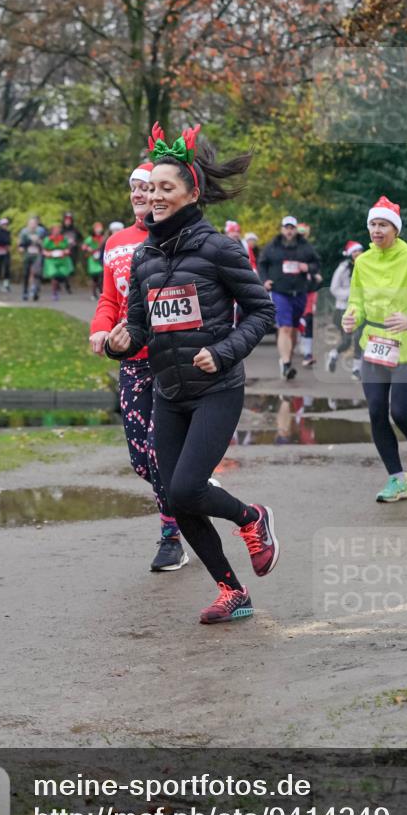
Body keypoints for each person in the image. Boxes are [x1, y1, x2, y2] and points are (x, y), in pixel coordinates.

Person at [105, 122, 278, 625]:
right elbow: (138, 326)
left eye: (165, 188)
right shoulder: (144, 257)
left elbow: (262, 312)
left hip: (215, 389)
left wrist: (224, 352)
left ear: (190, 193)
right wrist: (122, 342)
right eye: (149, 188)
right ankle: (233, 591)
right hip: (168, 390)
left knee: (185, 489)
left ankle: (252, 518)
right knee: (176, 498)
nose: (153, 196)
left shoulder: (220, 249)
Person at [90, 161, 188, 573]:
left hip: (170, 361)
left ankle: (171, 534)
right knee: (140, 459)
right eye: (134, 187)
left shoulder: (177, 237)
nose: (138, 195)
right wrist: (100, 329)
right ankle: (190, 489)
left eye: (148, 188)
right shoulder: (115, 242)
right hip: (131, 362)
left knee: (157, 448)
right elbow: (110, 298)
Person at [342, 196, 407, 503]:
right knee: (376, 412)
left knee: (399, 412)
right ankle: (397, 479)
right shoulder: (363, 262)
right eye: (373, 224)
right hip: (373, 346)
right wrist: (352, 317)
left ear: (395, 229)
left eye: (383, 224)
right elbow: (356, 300)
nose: (376, 229)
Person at [258, 215, 321, 379]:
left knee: (293, 329)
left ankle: (287, 360)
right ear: (282, 229)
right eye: (286, 227)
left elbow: (316, 263)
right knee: (284, 327)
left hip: (300, 292)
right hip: (280, 291)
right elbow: (262, 263)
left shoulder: (304, 246)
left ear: (295, 230)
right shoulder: (273, 246)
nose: (289, 231)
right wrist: (264, 280)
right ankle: (286, 364)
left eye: (292, 228)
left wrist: (306, 267)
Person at [326, 241, 364, 378]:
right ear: (349, 254)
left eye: (360, 250)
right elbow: (334, 288)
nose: (358, 253)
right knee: (347, 341)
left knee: (360, 339)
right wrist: (351, 295)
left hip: (361, 310)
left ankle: (356, 369)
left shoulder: (366, 266)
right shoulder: (343, 268)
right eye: (354, 251)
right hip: (343, 309)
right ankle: (334, 354)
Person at [42, 223, 73, 300]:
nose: (56, 231)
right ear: (52, 231)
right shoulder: (48, 240)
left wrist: (65, 252)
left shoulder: (63, 239)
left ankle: (58, 287)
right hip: (52, 260)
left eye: (57, 229)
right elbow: (44, 250)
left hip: (62, 260)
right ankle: (54, 292)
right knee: (54, 275)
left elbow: (68, 249)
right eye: (54, 230)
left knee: (62, 275)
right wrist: (48, 253)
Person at [18, 217, 43, 301]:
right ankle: (25, 292)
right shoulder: (24, 232)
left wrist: (40, 242)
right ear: (28, 224)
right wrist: (21, 248)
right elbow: (21, 244)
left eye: (34, 224)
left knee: (37, 272)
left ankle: (35, 290)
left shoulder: (40, 232)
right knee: (26, 273)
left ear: (36, 225)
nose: (32, 225)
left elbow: (45, 243)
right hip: (27, 255)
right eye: (31, 224)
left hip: (37, 255)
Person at [82, 222, 105, 299]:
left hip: (101, 259)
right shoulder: (90, 239)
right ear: (94, 229)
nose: (98, 230)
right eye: (97, 228)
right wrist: (88, 248)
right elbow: (83, 247)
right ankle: (94, 294)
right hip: (92, 259)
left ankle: (101, 292)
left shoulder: (103, 238)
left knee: (101, 275)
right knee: (94, 277)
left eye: (100, 228)